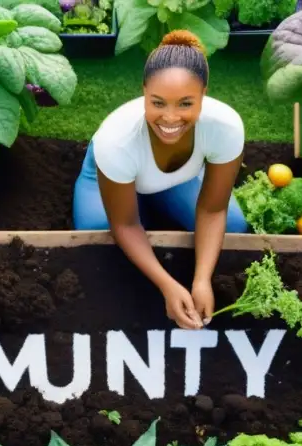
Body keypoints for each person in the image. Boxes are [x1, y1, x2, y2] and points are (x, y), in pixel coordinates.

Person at [72, 31, 248, 330]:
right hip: (113, 175)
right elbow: (125, 224)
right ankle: (143, 202)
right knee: (97, 233)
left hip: (177, 179)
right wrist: (167, 285)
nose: (170, 118)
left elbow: (213, 209)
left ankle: (154, 201)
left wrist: (202, 279)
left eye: (185, 104)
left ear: (204, 94)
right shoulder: (116, 140)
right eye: (158, 103)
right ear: (143, 92)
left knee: (232, 226)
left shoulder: (225, 127)